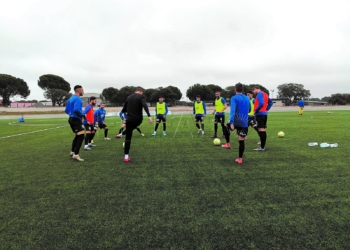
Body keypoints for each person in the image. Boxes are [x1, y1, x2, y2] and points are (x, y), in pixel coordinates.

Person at [121, 87, 153, 162]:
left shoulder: (128, 97)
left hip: (129, 119)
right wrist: (149, 116)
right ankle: (122, 133)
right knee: (134, 127)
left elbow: (124, 109)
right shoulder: (141, 97)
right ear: (140, 92)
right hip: (138, 119)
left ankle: (126, 157)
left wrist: (125, 119)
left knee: (128, 138)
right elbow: (145, 105)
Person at [229, 83, 251, 164]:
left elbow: (232, 110)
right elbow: (249, 109)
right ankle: (240, 159)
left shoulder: (234, 98)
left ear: (235, 89)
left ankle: (227, 143)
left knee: (225, 126)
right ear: (242, 89)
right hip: (244, 121)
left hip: (236, 120)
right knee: (241, 140)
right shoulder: (247, 98)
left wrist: (231, 122)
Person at [64, 85, 85, 162]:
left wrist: (71, 114)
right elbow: (76, 110)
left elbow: (66, 110)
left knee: (78, 135)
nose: (83, 92)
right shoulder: (77, 99)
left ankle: (72, 151)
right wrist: (83, 114)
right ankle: (76, 154)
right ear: (79, 91)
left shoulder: (70, 98)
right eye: (82, 90)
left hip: (71, 119)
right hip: (76, 119)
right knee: (81, 135)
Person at [252, 86, 273, 151]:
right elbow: (270, 102)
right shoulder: (265, 94)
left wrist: (256, 110)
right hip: (264, 114)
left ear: (255, 89)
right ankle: (262, 146)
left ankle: (262, 147)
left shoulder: (259, 94)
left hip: (260, 114)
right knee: (262, 129)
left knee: (261, 129)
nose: (253, 92)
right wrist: (266, 109)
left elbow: (261, 103)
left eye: (253, 90)